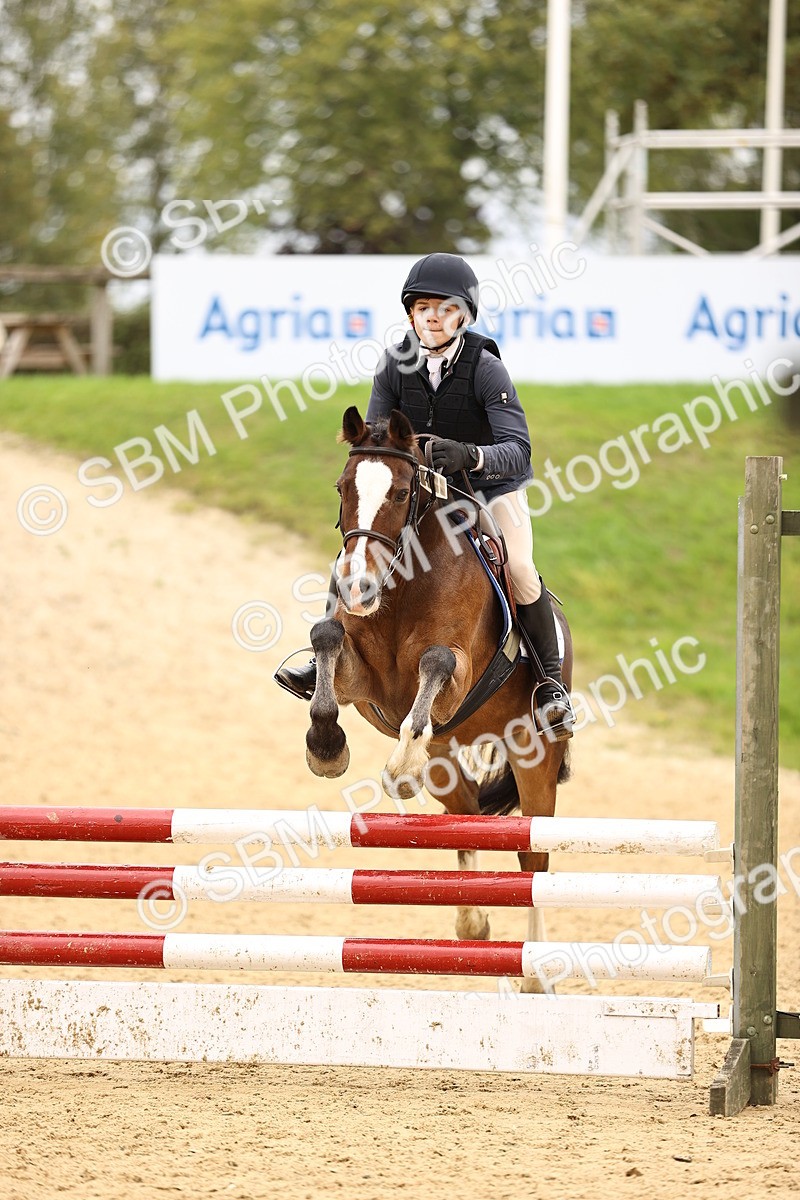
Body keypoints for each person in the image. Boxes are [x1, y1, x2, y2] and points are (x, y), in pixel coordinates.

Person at [275, 252, 575, 740]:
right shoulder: (394, 366)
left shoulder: (486, 369)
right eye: (423, 308)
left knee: (520, 569)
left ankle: (549, 686)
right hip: (415, 493)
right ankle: (322, 660)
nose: (432, 316)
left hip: (487, 490)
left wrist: (469, 456)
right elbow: (373, 440)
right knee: (356, 554)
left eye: (445, 308)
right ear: (410, 313)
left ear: (464, 315)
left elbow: (518, 452)